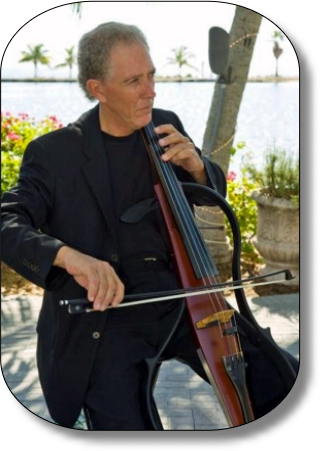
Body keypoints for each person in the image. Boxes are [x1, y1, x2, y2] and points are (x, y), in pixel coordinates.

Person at [1, 22, 298, 430]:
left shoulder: (163, 125)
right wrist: (69, 259)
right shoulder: (54, 154)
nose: (150, 90)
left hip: (184, 298)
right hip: (105, 317)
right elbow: (6, 221)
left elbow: (206, 190)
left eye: (152, 75)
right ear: (97, 88)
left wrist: (197, 167)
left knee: (283, 378)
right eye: (133, 81)